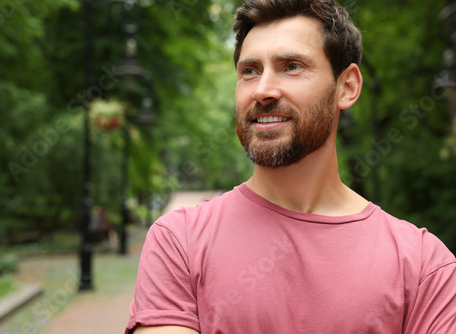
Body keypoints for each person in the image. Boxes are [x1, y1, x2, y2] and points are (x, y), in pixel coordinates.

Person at [125, 0, 456, 333]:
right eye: (250, 71)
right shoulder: (180, 242)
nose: (263, 90)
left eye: (292, 66)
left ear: (347, 87)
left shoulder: (423, 266)